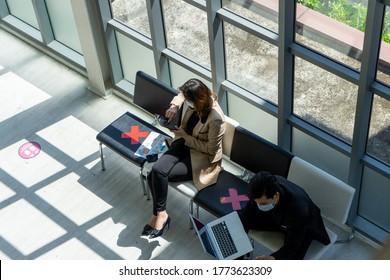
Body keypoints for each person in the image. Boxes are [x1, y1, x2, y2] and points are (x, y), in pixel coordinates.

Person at [142, 78, 226, 239]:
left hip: (201, 158)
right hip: (184, 143)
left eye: (189, 101)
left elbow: (211, 149)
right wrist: (174, 106)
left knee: (155, 175)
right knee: (158, 171)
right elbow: (182, 94)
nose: (187, 103)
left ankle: (158, 215)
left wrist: (186, 137)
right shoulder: (197, 99)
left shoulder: (216, 119)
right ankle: (161, 214)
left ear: (198, 99)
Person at [238, 171, 330, 260]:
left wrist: (274, 258)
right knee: (241, 221)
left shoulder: (298, 210)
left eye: (263, 203)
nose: (259, 206)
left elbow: (292, 247)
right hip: (277, 217)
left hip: (301, 227)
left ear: (276, 196)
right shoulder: (260, 191)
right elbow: (248, 211)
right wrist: (234, 226)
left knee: (292, 258)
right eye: (257, 203)